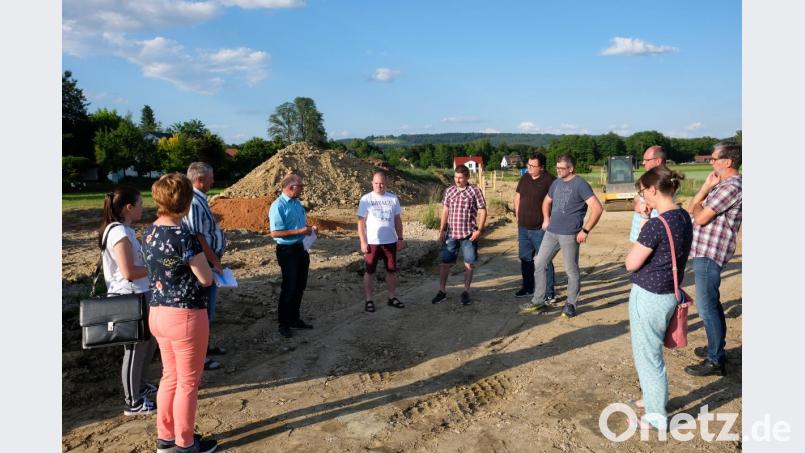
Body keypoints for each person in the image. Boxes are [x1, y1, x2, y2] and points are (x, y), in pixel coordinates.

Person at [143, 173, 217, 453]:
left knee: (170, 376)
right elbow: (205, 278)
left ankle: (166, 437)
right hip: (185, 315)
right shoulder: (184, 236)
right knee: (187, 383)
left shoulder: (149, 232)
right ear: (185, 202)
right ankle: (185, 443)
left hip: (158, 311)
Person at [624, 167, 693, 431]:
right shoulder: (682, 216)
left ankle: (655, 416)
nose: (642, 196)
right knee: (651, 352)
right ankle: (652, 399)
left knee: (648, 356)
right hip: (668, 293)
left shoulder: (657, 225)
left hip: (649, 296)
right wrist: (645, 216)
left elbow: (631, 263)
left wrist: (645, 219)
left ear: (653, 190)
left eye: (643, 191)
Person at [98, 185, 158, 416]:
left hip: (139, 294)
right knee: (134, 349)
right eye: (140, 204)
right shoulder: (118, 233)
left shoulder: (123, 230)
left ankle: (140, 387)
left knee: (147, 343)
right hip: (129, 298)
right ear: (128, 208)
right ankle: (133, 402)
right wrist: (157, 268)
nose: (144, 208)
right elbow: (129, 272)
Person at [684, 141, 742, 377]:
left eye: (714, 158)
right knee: (712, 305)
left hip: (711, 254)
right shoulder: (721, 186)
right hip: (704, 252)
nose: (711, 162)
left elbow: (700, 218)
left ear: (727, 161)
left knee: (707, 307)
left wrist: (700, 208)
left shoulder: (732, 187)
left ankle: (715, 360)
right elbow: (693, 207)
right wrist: (706, 187)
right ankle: (715, 348)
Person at [520, 155, 604, 317]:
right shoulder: (556, 183)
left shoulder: (580, 184)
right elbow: (546, 201)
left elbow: (597, 208)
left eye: (561, 168)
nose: (558, 171)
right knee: (540, 263)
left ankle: (570, 304)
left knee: (571, 270)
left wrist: (585, 230)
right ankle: (538, 300)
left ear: (571, 169)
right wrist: (546, 219)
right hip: (551, 232)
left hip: (570, 234)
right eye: (557, 168)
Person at [182, 162, 227, 371]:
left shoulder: (200, 199)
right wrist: (214, 261)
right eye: (211, 177)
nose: (213, 181)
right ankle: (200, 355)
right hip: (205, 262)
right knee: (203, 309)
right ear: (200, 180)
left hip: (208, 260)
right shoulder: (194, 202)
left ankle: (205, 346)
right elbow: (198, 236)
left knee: (207, 307)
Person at [269, 174, 317, 338]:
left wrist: (309, 229)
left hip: (301, 248)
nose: (303, 189)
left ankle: (294, 319)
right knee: (289, 287)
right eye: (300, 186)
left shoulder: (297, 203)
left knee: (300, 285)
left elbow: (299, 225)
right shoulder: (278, 206)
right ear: (291, 187)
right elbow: (275, 233)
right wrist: (300, 231)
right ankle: (284, 323)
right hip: (287, 251)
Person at [431, 164, 487, 306]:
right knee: (445, 263)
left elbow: (482, 210)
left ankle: (466, 292)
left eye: (460, 178)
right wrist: (442, 229)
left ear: (467, 177)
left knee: (468, 264)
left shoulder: (475, 191)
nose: (457, 180)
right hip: (451, 234)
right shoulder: (449, 191)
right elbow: (445, 210)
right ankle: (442, 291)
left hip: (469, 235)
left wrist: (479, 230)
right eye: (456, 177)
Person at [357, 171, 406, 312]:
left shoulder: (393, 199)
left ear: (386, 183)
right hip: (372, 242)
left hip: (390, 241)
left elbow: (397, 220)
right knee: (370, 271)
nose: (379, 186)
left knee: (391, 270)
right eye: (376, 183)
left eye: (382, 183)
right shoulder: (366, 199)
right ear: (372, 183)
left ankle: (392, 297)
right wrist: (363, 241)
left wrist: (400, 238)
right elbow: (361, 223)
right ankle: (369, 300)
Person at [514, 152, 557, 303]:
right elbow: (518, 196)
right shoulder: (525, 178)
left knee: (544, 260)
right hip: (523, 228)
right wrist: (518, 215)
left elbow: (556, 203)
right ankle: (528, 287)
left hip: (541, 229)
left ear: (542, 167)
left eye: (533, 165)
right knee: (525, 258)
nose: (529, 168)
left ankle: (548, 293)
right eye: (528, 164)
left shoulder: (551, 181)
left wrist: (549, 221)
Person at [630, 145, 668, 242]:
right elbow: (637, 198)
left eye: (646, 160)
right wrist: (637, 203)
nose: (643, 163)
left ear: (658, 161)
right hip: (641, 232)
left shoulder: (667, 181)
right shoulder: (647, 178)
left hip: (654, 235)